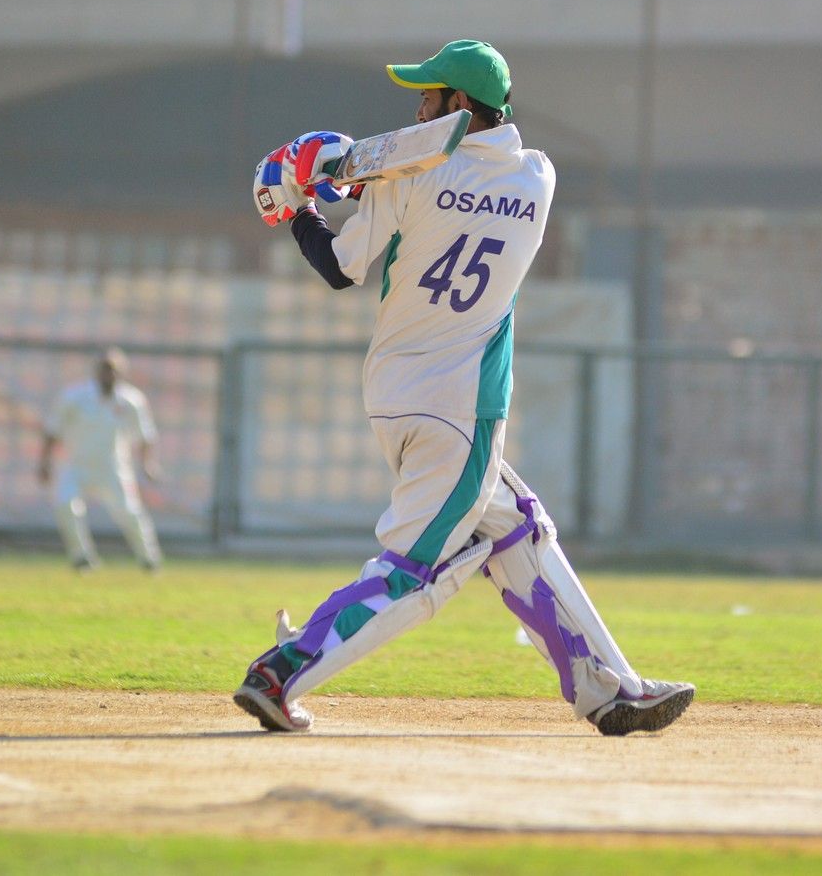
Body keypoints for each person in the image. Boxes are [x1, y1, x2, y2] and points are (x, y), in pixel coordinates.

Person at [237, 39, 694, 735]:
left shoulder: (407, 175)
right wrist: (360, 176)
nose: (419, 109)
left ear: (458, 103)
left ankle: (609, 688)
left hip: (400, 394)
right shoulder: (537, 178)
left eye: (429, 97)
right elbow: (466, 183)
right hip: (462, 405)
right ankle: (282, 671)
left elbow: (338, 267)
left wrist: (303, 204)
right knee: (412, 572)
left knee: (517, 527)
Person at [38, 348, 164, 573]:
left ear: (122, 372)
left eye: (114, 370)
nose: (109, 374)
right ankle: (82, 557)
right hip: (76, 464)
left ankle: (149, 558)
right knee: (66, 506)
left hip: (113, 467)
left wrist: (147, 463)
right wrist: (44, 462)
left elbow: (145, 435)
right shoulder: (75, 397)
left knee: (130, 512)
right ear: (96, 371)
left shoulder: (131, 400)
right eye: (105, 369)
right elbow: (53, 430)